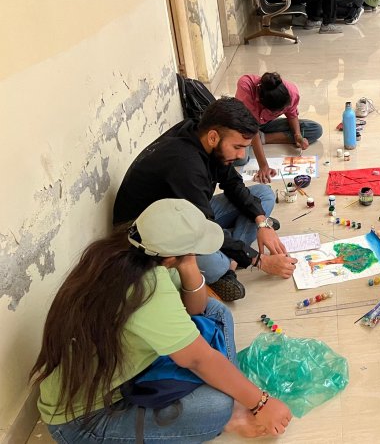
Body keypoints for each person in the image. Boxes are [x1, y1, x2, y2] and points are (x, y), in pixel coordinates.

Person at [32, 199, 293, 442]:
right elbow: (197, 359)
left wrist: (188, 264)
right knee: (217, 406)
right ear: (169, 257)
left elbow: (198, 310)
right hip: (83, 419)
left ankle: (232, 392)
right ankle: (230, 411)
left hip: (130, 369)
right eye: (192, 250)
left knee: (217, 311)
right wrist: (261, 402)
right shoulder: (146, 287)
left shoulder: (131, 248)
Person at [113, 98, 296, 302]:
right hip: (150, 242)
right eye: (237, 146)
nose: (241, 155)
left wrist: (262, 223)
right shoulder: (185, 166)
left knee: (264, 195)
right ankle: (226, 264)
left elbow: (233, 184)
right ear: (213, 137)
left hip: (186, 214)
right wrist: (260, 261)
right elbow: (204, 226)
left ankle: (232, 258)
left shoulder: (201, 135)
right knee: (215, 264)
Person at [235, 72, 324, 181]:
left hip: (266, 124)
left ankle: (260, 138)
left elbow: (292, 114)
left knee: (315, 130)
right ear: (263, 103)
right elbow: (250, 126)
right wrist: (263, 166)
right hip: (244, 126)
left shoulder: (291, 91)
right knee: (240, 159)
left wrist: (298, 136)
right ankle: (252, 140)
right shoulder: (246, 86)